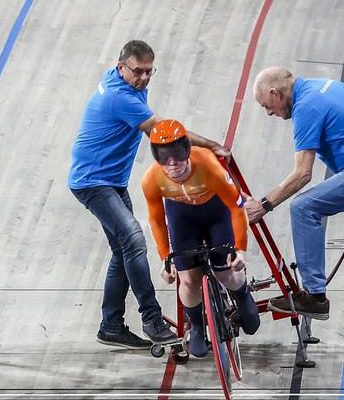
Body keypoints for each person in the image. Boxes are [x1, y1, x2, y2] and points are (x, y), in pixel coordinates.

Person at [68, 39, 231, 349]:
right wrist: (210, 145)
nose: (143, 78)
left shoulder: (122, 82)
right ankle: (151, 319)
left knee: (122, 251)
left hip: (112, 181)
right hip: (93, 182)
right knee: (133, 240)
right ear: (121, 68)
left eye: (148, 72)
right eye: (138, 72)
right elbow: (162, 131)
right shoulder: (120, 97)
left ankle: (111, 325)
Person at [141, 119, 260, 357]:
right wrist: (166, 259)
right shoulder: (151, 179)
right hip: (183, 219)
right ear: (156, 157)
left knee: (226, 271)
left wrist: (240, 250)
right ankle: (196, 324)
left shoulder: (209, 165)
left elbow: (237, 208)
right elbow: (156, 220)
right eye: (164, 158)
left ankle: (241, 293)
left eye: (177, 155)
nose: (172, 164)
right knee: (188, 280)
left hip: (215, 214)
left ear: (187, 151)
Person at [245, 66, 344, 320]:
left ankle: (314, 296)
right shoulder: (319, 86)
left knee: (303, 207)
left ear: (275, 93)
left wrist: (264, 204)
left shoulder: (306, 108)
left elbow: (303, 174)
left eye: (267, 105)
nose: (268, 112)